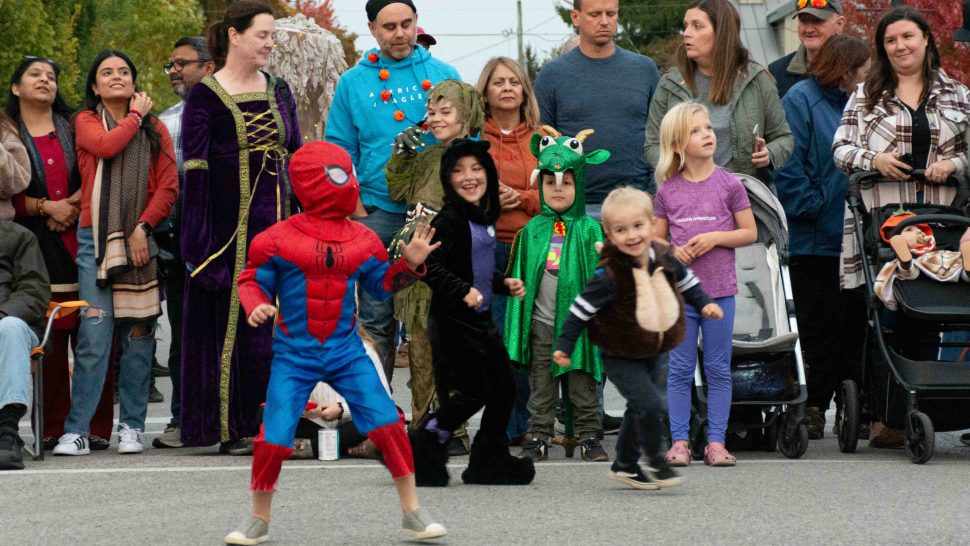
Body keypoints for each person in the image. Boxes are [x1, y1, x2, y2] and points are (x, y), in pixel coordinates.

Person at [227, 140, 446, 544]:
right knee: (273, 437)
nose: (349, 183)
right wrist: (256, 304)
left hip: (346, 350)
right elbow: (251, 278)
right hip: (295, 353)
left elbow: (381, 287)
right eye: (340, 175)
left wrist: (409, 265)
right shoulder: (277, 239)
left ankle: (412, 510)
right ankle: (258, 517)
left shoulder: (362, 239)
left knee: (388, 424)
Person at [833, 6, 970, 447]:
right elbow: (840, 149)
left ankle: (931, 402)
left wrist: (954, 164)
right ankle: (885, 414)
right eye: (890, 40)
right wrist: (874, 160)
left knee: (932, 309)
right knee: (889, 311)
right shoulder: (866, 95)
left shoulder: (958, 95)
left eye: (908, 36)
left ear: (926, 39)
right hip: (886, 222)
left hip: (941, 224)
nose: (900, 46)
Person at [179, 0, 301, 452]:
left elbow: (297, 158)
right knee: (237, 327)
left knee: (282, 328)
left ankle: (284, 423)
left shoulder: (279, 89)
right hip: (229, 233)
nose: (270, 43)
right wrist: (200, 245)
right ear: (234, 35)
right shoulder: (205, 95)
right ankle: (234, 427)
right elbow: (195, 171)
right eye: (262, 35)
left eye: (273, 36)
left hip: (282, 229)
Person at [326, 0, 460, 380]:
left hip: (434, 214)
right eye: (389, 27)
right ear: (372, 29)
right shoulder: (353, 82)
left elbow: (467, 138)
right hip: (377, 214)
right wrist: (357, 209)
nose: (400, 33)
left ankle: (431, 413)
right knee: (375, 319)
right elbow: (339, 152)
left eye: (406, 23)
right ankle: (377, 408)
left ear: (417, 22)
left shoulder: (444, 75)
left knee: (433, 317)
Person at [52, 50, 177, 456]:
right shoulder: (85, 121)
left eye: (124, 71)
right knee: (95, 334)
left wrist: (143, 227)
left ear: (134, 81)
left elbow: (168, 186)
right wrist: (136, 116)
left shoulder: (156, 129)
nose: (116, 77)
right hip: (95, 241)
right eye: (107, 72)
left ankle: (132, 427)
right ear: (95, 86)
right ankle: (78, 430)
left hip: (142, 237)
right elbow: (106, 147)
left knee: (139, 335)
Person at [553, 186, 721, 489]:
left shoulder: (663, 256)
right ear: (609, 234)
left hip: (654, 348)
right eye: (621, 230)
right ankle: (656, 462)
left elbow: (687, 281)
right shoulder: (610, 273)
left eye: (638, 226)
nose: (631, 235)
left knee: (639, 407)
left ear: (652, 224)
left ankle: (625, 465)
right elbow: (581, 309)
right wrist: (565, 345)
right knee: (651, 405)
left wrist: (704, 303)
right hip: (619, 354)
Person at [409, 139, 535, 487]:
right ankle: (425, 444)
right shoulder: (448, 220)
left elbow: (473, 268)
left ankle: (489, 460)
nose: (469, 177)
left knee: (504, 388)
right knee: (472, 392)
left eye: (477, 169)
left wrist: (502, 283)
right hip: (452, 322)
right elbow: (430, 268)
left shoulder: (482, 217)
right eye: (459, 170)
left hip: (479, 320)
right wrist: (462, 290)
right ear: (447, 178)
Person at [7, 57, 116, 451]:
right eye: (35, 75)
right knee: (49, 336)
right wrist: (44, 208)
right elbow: (5, 191)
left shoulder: (74, 124)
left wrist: (70, 205)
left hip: (83, 238)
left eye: (51, 76)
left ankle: (95, 425)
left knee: (94, 330)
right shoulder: (7, 131)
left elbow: (97, 168)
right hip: (31, 245)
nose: (45, 80)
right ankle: (54, 426)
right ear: (16, 87)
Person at [773, 35, 871, 439]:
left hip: (855, 238)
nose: (868, 75)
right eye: (863, 68)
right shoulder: (801, 100)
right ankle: (812, 405)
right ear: (847, 69)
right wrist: (814, 207)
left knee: (853, 327)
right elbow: (788, 165)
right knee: (817, 329)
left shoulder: (862, 102)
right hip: (814, 241)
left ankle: (852, 405)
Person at [653, 102, 757, 467]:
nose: (707, 134)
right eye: (696, 131)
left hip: (721, 292)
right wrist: (674, 252)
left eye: (708, 128)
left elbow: (749, 232)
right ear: (677, 144)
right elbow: (657, 241)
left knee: (717, 368)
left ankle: (716, 442)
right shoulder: (667, 190)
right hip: (681, 296)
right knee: (680, 369)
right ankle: (680, 442)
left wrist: (715, 238)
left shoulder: (730, 184)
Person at [385, 79, 483, 456]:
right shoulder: (426, 157)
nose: (435, 118)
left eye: (446, 111)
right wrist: (401, 154)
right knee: (421, 348)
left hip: (447, 263)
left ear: (466, 115)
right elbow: (398, 191)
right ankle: (421, 424)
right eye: (431, 111)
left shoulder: (472, 161)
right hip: (416, 263)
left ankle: (453, 430)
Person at [504, 128, 608, 462]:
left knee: (582, 383)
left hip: (579, 327)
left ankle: (589, 435)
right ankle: (538, 435)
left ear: (579, 184)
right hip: (542, 323)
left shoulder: (590, 230)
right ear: (540, 186)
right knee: (541, 385)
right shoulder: (532, 231)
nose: (557, 189)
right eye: (549, 183)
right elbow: (520, 280)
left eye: (566, 183)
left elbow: (603, 279)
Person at [644, 0, 793, 189]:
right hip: (687, 197)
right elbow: (652, 145)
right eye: (686, 26)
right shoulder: (670, 83)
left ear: (721, 32)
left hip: (744, 196)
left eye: (697, 26)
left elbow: (784, 138)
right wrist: (678, 166)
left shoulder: (757, 79)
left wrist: (768, 154)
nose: (686, 33)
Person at [535, 0, 660, 207]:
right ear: (575, 17)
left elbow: (661, 137)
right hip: (574, 207)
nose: (604, 21)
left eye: (611, 14)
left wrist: (652, 192)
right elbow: (543, 143)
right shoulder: (552, 75)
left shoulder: (644, 70)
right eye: (595, 14)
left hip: (638, 202)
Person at [152, 37, 215, 450]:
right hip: (180, 243)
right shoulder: (165, 122)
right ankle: (183, 419)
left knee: (229, 333)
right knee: (184, 335)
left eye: (182, 63)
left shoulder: (233, 116)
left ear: (208, 67)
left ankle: (233, 419)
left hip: (226, 242)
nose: (174, 71)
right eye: (171, 64)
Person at [476, 56, 543, 444]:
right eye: (498, 82)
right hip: (490, 252)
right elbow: (458, 188)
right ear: (485, 91)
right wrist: (488, 199)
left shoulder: (543, 138)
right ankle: (504, 424)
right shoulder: (473, 140)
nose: (506, 88)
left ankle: (533, 423)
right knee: (500, 341)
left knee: (532, 340)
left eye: (514, 82)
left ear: (524, 91)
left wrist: (523, 198)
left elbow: (563, 191)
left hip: (534, 250)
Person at [0, 220, 50, 471]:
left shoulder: (19, 237)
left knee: (9, 327)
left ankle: (7, 431)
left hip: (13, 325)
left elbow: (34, 291)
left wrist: (1, 314)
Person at [767, 0, 845, 99]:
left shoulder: (856, 71)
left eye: (817, 20)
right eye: (803, 21)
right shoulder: (775, 74)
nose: (809, 29)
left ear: (839, 24)